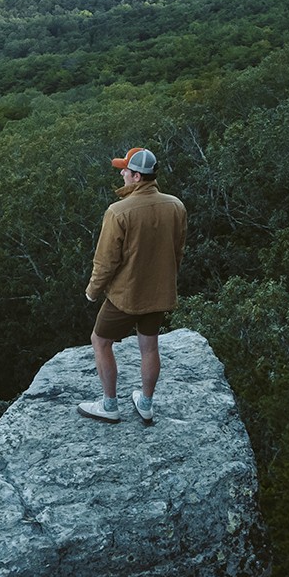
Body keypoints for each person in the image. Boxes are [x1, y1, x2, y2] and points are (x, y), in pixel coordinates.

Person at [79, 146, 187, 424]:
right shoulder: (176, 206)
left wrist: (92, 291)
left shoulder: (118, 212)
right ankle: (146, 404)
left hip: (126, 295)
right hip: (159, 293)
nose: (123, 173)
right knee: (149, 347)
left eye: (126, 170)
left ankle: (109, 405)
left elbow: (106, 261)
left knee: (100, 341)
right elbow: (178, 252)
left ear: (137, 177)